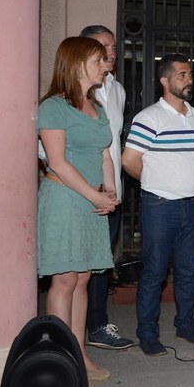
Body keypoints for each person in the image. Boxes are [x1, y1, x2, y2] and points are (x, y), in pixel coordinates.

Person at [37, 36, 120, 383]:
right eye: (98, 60)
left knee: (83, 278)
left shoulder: (96, 107)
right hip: (65, 198)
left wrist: (109, 191)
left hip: (91, 201)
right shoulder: (53, 107)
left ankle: (79, 352)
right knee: (65, 278)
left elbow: (105, 155)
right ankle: (60, 357)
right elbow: (56, 161)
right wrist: (93, 195)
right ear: (75, 63)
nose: (105, 65)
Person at [122, 53, 194, 356]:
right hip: (159, 206)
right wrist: (156, 181)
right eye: (182, 74)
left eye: (190, 74)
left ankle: (185, 324)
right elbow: (129, 161)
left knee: (188, 271)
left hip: (192, 206)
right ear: (164, 80)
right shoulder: (149, 118)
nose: (189, 79)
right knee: (154, 273)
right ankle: (147, 332)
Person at [79, 25, 135, 350]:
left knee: (102, 263)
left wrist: (113, 189)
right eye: (104, 46)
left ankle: (97, 325)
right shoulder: (73, 92)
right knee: (76, 269)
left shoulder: (118, 89)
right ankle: (74, 330)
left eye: (114, 47)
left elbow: (112, 145)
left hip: (112, 192)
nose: (112, 52)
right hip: (84, 194)